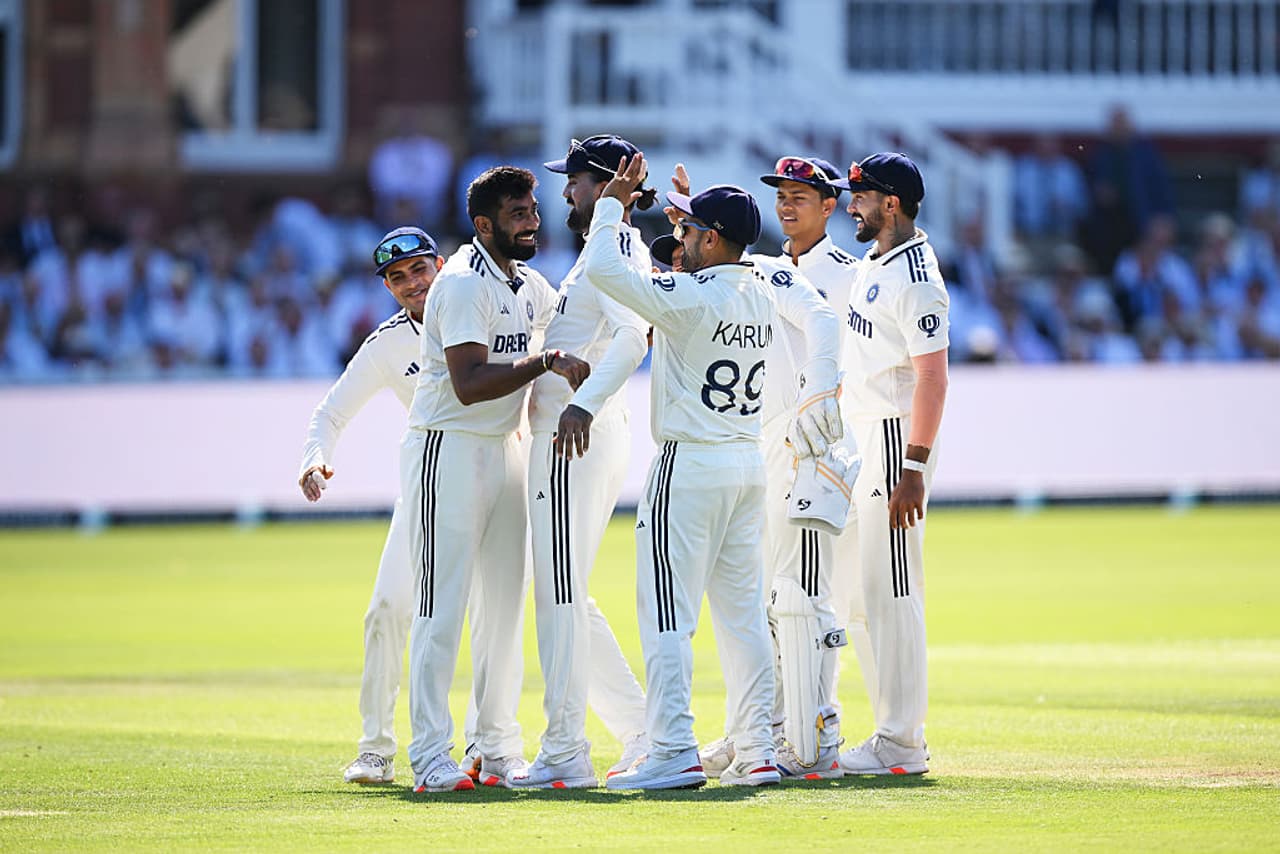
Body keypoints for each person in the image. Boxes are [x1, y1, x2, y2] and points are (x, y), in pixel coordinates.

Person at [586, 154, 842, 790]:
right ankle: (757, 750)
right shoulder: (761, 286)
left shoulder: (691, 297)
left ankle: (673, 748)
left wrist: (611, 205)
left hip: (690, 464)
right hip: (746, 465)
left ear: (713, 239)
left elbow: (604, 269)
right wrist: (686, 212)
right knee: (743, 617)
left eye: (691, 231)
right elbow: (811, 312)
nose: (681, 239)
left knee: (667, 615)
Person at [401, 166, 590, 794]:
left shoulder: (527, 283)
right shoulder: (460, 283)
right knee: (441, 606)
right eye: (517, 214)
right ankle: (430, 754)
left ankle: (496, 746)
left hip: (503, 449)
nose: (533, 221)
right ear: (483, 225)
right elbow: (469, 382)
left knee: (504, 608)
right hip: (447, 448)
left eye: (533, 209)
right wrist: (544, 360)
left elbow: (579, 315)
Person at [683, 156, 869, 781]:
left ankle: (814, 738)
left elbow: (833, 337)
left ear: (829, 205)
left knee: (803, 598)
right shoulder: (755, 270)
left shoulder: (833, 274)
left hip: (809, 442)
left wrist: (819, 401)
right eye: (780, 196)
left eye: (800, 196)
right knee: (763, 599)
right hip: (760, 441)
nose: (787, 205)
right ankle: (758, 730)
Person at [507, 136, 654, 790]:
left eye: (574, 180)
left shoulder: (612, 245)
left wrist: (583, 406)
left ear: (605, 183)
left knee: (559, 595)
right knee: (565, 592)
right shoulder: (606, 243)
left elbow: (633, 338)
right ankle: (643, 732)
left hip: (575, 439)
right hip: (574, 435)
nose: (565, 191)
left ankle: (565, 749)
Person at [298, 227, 444, 785]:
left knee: (489, 618)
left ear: (440, 265)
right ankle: (376, 749)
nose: (411, 284)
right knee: (385, 608)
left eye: (418, 269)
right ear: (387, 287)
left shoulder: (481, 307)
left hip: (498, 479)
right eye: (397, 277)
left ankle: (490, 747)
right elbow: (331, 412)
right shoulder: (387, 343)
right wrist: (315, 458)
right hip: (427, 484)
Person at [831, 152, 949, 775]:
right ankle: (882, 729)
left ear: (892, 203)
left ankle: (902, 741)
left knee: (895, 591)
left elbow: (933, 378)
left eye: (862, 196)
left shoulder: (917, 278)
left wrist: (914, 469)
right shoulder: (876, 262)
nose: (852, 205)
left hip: (893, 441)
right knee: (857, 595)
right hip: (862, 439)